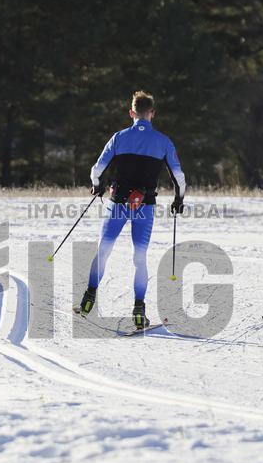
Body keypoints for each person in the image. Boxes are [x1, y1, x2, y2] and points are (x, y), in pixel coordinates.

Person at [77, 91, 187, 329]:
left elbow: (97, 170)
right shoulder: (163, 141)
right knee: (140, 258)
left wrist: (97, 186)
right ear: (152, 114)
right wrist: (179, 199)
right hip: (145, 206)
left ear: (131, 113)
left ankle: (88, 299)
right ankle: (139, 311)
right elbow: (178, 176)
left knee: (104, 250)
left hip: (117, 202)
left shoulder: (118, 138)